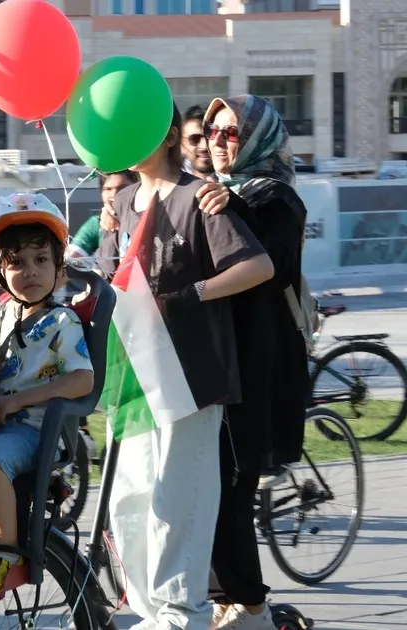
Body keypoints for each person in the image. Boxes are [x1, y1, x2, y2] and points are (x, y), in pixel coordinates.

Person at [107, 104, 275, 630]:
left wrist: (191, 295)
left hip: (193, 379)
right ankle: (151, 611)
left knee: (179, 500)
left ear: (162, 135)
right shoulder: (126, 200)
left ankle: (183, 615)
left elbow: (258, 265)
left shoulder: (197, 196)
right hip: (135, 376)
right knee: (130, 503)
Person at [195, 95, 309, 630]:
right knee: (208, 488)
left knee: (229, 488)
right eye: (211, 133)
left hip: (259, 366)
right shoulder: (213, 194)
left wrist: (233, 207)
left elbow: (277, 266)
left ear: (259, 138)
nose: (217, 142)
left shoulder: (276, 198)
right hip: (216, 364)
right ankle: (230, 600)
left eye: (230, 133)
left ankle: (252, 607)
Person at [0, 193, 94, 594]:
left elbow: (82, 379)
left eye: (41, 260)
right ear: (1, 273)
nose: (30, 272)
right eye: (16, 263)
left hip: (37, 431)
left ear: (58, 270)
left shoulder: (61, 320)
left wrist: (18, 399)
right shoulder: (1, 314)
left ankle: (6, 550)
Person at [182, 104, 215, 180]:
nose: (204, 146)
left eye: (210, 137)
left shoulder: (242, 185)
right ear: (181, 145)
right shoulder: (169, 185)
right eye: (194, 139)